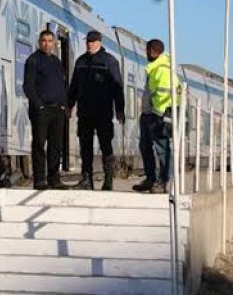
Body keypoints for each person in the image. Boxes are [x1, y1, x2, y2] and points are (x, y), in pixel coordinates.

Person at [67, 30, 126, 191]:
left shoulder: (110, 62)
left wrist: (120, 109)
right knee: (85, 146)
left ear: (100, 42)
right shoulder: (80, 62)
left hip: (103, 112)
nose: (90, 44)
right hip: (85, 111)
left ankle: (108, 180)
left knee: (105, 145)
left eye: (93, 41)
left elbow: (117, 88)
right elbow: (74, 86)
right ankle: (86, 179)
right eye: (88, 41)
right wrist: (70, 104)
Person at [23, 29, 69, 190]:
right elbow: (28, 86)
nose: (47, 44)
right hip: (41, 111)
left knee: (56, 146)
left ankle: (54, 178)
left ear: (55, 43)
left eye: (50, 41)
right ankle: (40, 179)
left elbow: (63, 86)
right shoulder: (33, 60)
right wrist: (39, 106)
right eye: (44, 41)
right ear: (39, 42)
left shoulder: (57, 62)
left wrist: (64, 106)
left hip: (58, 110)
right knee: (39, 144)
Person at [133, 38, 179, 194]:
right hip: (148, 114)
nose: (146, 54)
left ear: (152, 51)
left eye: (147, 51)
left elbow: (164, 94)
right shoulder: (154, 67)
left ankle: (162, 181)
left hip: (157, 116)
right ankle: (150, 178)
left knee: (162, 148)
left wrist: (158, 114)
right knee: (145, 146)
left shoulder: (163, 69)